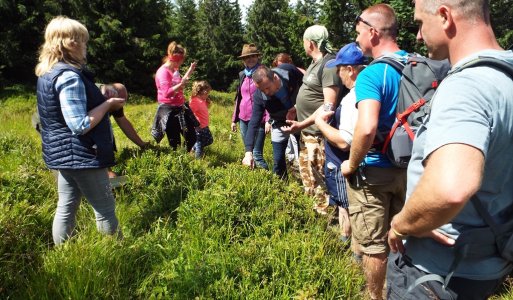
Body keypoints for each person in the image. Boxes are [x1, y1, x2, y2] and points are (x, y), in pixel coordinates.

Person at [387, 0, 513, 299]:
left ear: (444, 16)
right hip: (489, 263)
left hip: (437, 274)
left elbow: (450, 188)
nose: (418, 37)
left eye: (419, 23)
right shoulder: (506, 75)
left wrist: (401, 224)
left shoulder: (466, 86)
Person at [35, 16, 123, 245]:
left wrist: (98, 97)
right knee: (105, 208)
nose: (85, 46)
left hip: (63, 155)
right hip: (84, 155)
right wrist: (108, 105)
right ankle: (117, 255)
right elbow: (79, 125)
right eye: (82, 41)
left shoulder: (48, 74)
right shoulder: (69, 77)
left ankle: (64, 254)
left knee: (66, 207)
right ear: (70, 43)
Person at [339, 4, 408, 299]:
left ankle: (376, 296)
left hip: (375, 169)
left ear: (373, 32)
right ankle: (403, 291)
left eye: (358, 33)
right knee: (403, 237)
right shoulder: (420, 65)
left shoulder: (371, 75)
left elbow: (366, 128)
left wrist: (351, 165)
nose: (357, 40)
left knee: (374, 247)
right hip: (411, 168)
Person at [315, 42, 366, 247]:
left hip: (347, 163)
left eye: (339, 70)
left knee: (347, 206)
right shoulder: (369, 89)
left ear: (350, 70)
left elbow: (344, 141)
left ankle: (350, 251)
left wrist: (320, 124)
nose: (338, 75)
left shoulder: (354, 96)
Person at [242, 64, 304, 178]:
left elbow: (308, 85)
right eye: (261, 89)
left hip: (301, 120)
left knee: (305, 156)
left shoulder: (288, 71)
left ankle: (306, 185)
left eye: (267, 88)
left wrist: (297, 106)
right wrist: (248, 152)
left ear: (275, 78)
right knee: (278, 160)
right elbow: (254, 122)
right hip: (279, 123)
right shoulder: (259, 96)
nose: (265, 92)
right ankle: (281, 187)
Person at [152, 41, 199, 151]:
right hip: (168, 111)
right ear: (175, 58)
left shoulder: (175, 70)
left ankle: (186, 156)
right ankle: (180, 162)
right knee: (175, 143)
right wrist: (181, 85)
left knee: (192, 137)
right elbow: (167, 93)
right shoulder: (163, 72)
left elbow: (180, 83)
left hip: (180, 108)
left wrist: (190, 70)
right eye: (181, 60)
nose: (181, 63)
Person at [231, 44, 269, 170]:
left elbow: (269, 95)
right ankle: (255, 179)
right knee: (248, 152)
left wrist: (269, 119)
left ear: (258, 57)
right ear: (243, 60)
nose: (250, 59)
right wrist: (233, 120)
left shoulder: (263, 73)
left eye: (253, 56)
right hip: (243, 118)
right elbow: (239, 97)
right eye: (247, 57)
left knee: (257, 155)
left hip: (259, 119)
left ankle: (272, 182)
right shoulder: (243, 74)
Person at [189, 80, 214, 159]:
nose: (208, 95)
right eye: (207, 93)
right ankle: (198, 161)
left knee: (209, 140)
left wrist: (207, 101)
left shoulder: (202, 100)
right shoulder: (195, 101)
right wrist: (194, 125)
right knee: (200, 144)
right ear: (202, 92)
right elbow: (189, 114)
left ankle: (193, 148)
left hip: (204, 125)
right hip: (199, 127)